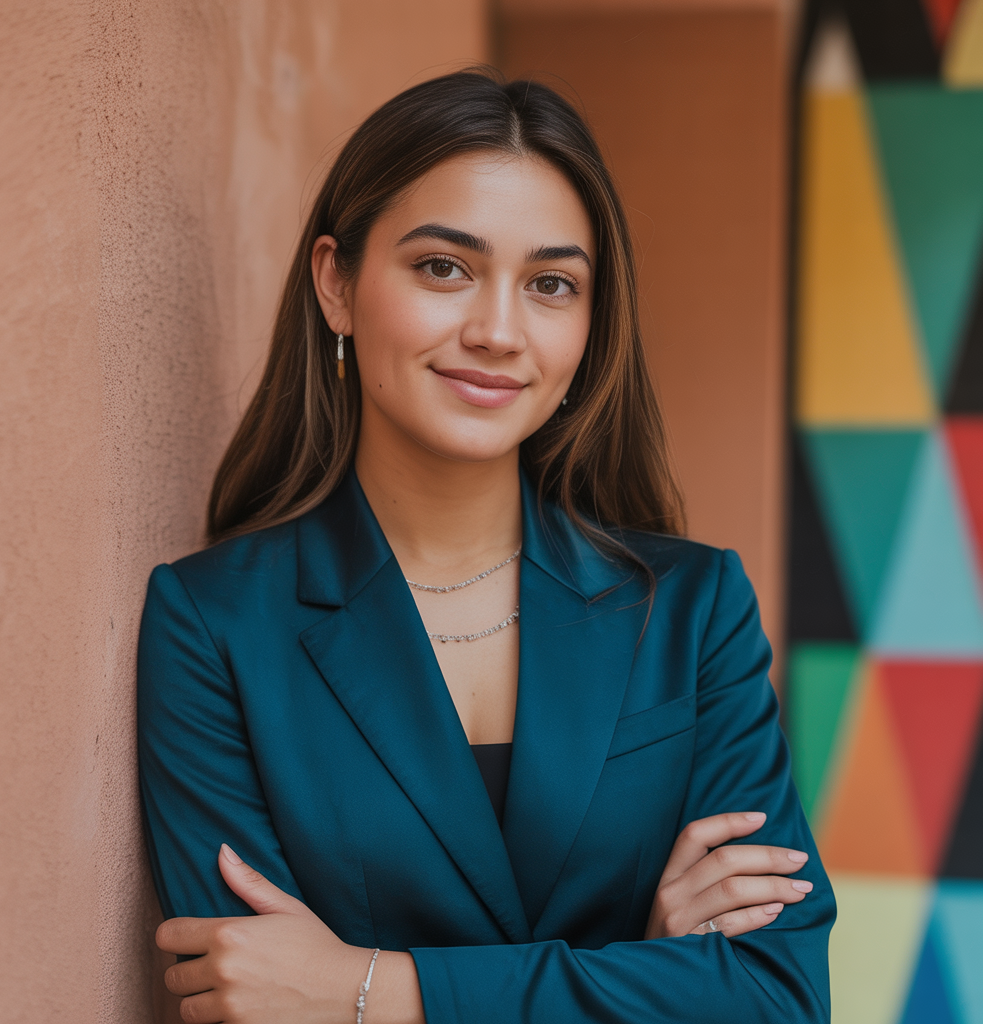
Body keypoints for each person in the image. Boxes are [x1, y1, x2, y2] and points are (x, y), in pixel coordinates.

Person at [137, 69, 834, 1024]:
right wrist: (644, 968)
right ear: (336, 284)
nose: (499, 331)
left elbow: (775, 996)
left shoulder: (691, 608)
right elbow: (248, 1001)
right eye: (443, 268)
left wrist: (376, 989)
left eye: (551, 284)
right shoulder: (214, 626)